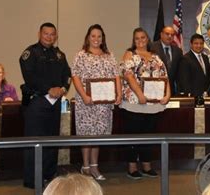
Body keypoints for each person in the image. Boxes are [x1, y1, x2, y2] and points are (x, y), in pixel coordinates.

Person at [19, 22, 71, 189]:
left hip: (55, 103)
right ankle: (32, 179)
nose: (49, 37)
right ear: (39, 34)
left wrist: (63, 89)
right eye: (46, 34)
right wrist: (48, 89)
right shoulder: (30, 53)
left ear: (56, 36)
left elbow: (67, 75)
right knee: (34, 141)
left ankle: (49, 174)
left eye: (52, 34)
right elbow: (30, 77)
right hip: (37, 102)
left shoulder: (60, 55)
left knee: (51, 140)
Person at [71, 24, 122, 181]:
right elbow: (75, 76)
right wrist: (84, 96)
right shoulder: (81, 55)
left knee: (98, 135)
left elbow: (116, 76)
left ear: (103, 38)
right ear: (88, 37)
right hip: (86, 101)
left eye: (99, 36)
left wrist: (119, 94)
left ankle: (94, 166)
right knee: (86, 134)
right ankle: (85, 167)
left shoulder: (109, 55)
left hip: (104, 104)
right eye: (93, 36)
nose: (96, 39)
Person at [120, 27, 171, 179]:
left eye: (143, 37)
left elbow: (165, 77)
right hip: (134, 103)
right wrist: (140, 94)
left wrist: (167, 95)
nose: (140, 40)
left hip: (153, 105)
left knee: (149, 136)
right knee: (133, 136)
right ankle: (132, 167)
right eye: (137, 38)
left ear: (147, 39)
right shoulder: (130, 54)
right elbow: (128, 76)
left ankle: (147, 165)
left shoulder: (155, 56)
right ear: (133, 40)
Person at [150, 26, 183, 95]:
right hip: (154, 89)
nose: (170, 36)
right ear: (161, 34)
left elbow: (179, 73)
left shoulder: (178, 51)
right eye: (167, 34)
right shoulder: (152, 48)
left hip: (172, 90)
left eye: (172, 35)